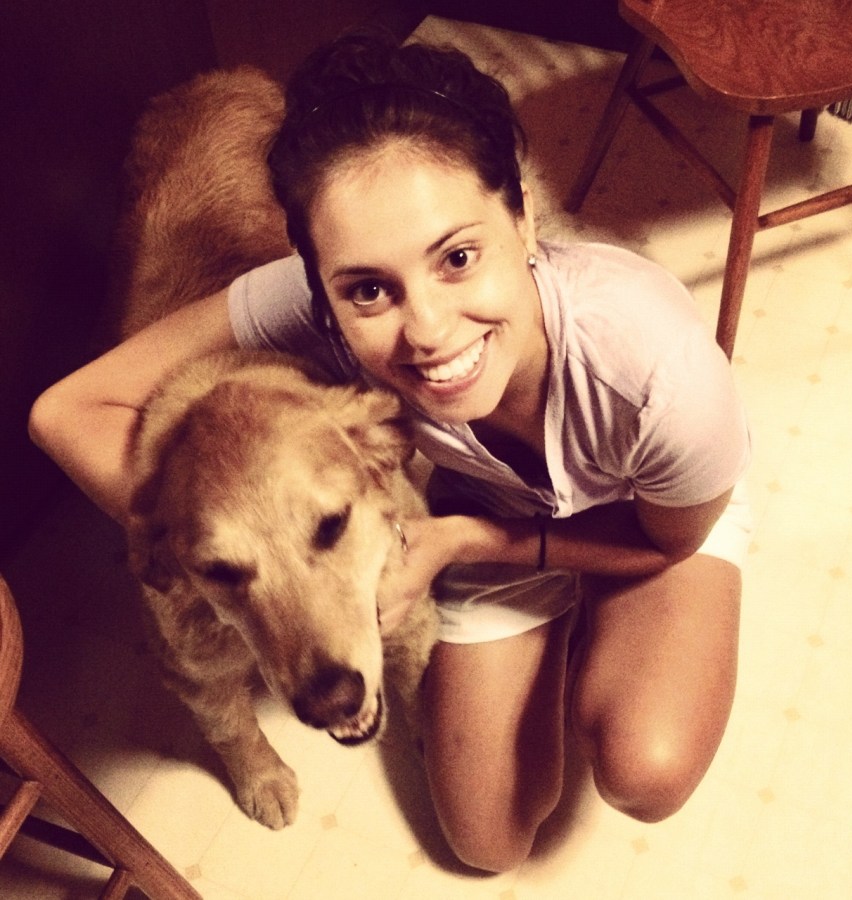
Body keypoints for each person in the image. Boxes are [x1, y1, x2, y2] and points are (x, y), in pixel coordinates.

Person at [29, 32, 752, 873]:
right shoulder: (315, 307)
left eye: (458, 257)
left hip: (644, 518)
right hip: (495, 506)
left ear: (523, 217)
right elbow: (64, 411)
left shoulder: (659, 372)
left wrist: (460, 541)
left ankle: (598, 613)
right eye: (369, 288)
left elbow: (669, 540)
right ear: (319, 284)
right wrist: (196, 526)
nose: (429, 331)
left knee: (644, 769)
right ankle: (551, 619)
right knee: (487, 846)